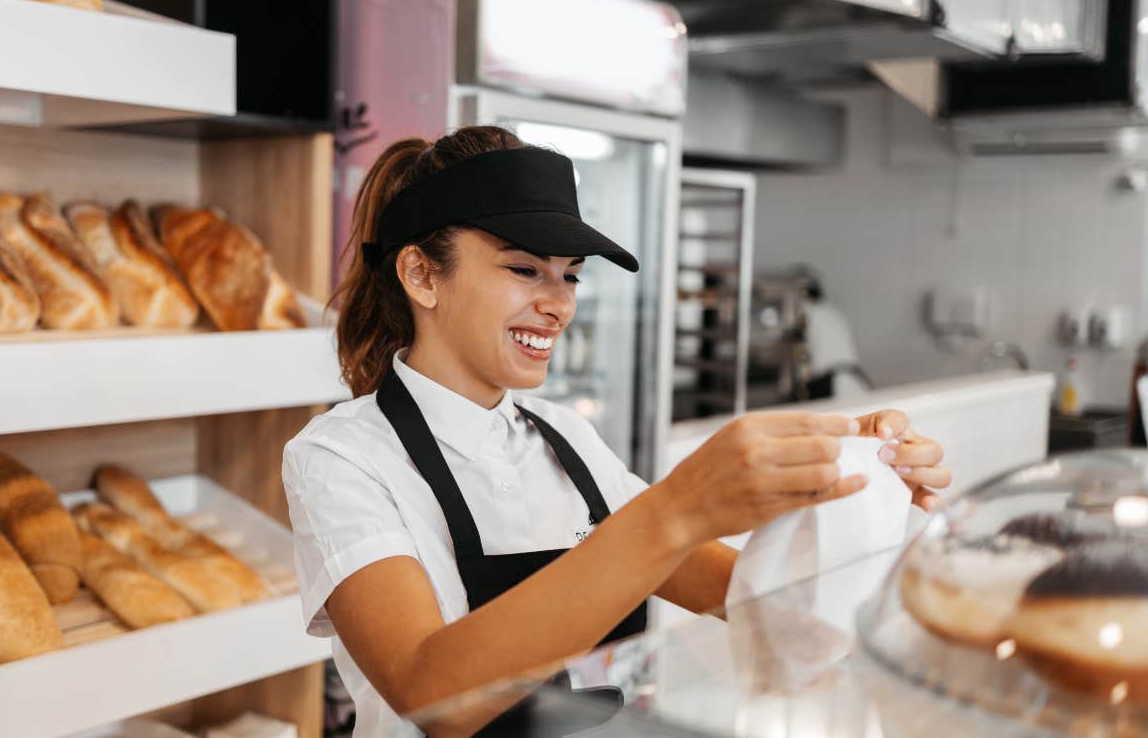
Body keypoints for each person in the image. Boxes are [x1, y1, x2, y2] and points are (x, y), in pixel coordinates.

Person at [282, 127, 950, 737]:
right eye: (525, 269)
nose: (559, 302)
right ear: (422, 274)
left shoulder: (565, 440)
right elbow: (433, 691)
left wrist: (851, 490)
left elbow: (746, 595)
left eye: (570, 274)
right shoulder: (341, 458)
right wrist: (677, 506)